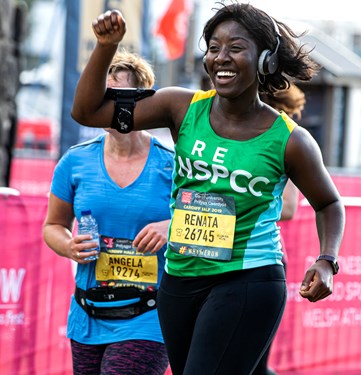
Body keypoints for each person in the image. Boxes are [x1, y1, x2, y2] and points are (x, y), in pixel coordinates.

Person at [71, 4, 345, 374]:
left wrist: (327, 260)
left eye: (235, 47)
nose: (221, 58)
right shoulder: (180, 107)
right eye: (213, 48)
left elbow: (328, 202)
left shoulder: (291, 140)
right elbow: (87, 112)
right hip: (179, 279)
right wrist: (105, 47)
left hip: (248, 277)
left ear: (265, 60)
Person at [42, 51, 171, 375]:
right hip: (87, 315)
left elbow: (209, 224)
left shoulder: (172, 163)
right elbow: (53, 225)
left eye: (115, 96)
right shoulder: (75, 161)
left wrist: (172, 225)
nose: (105, 106)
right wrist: (69, 245)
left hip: (149, 317)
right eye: (100, 96)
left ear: (142, 101)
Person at [253, 83, 305, 375]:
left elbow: (289, 207)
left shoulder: (285, 138)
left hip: (261, 261)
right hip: (208, 258)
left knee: (257, 365)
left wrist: (229, 208)